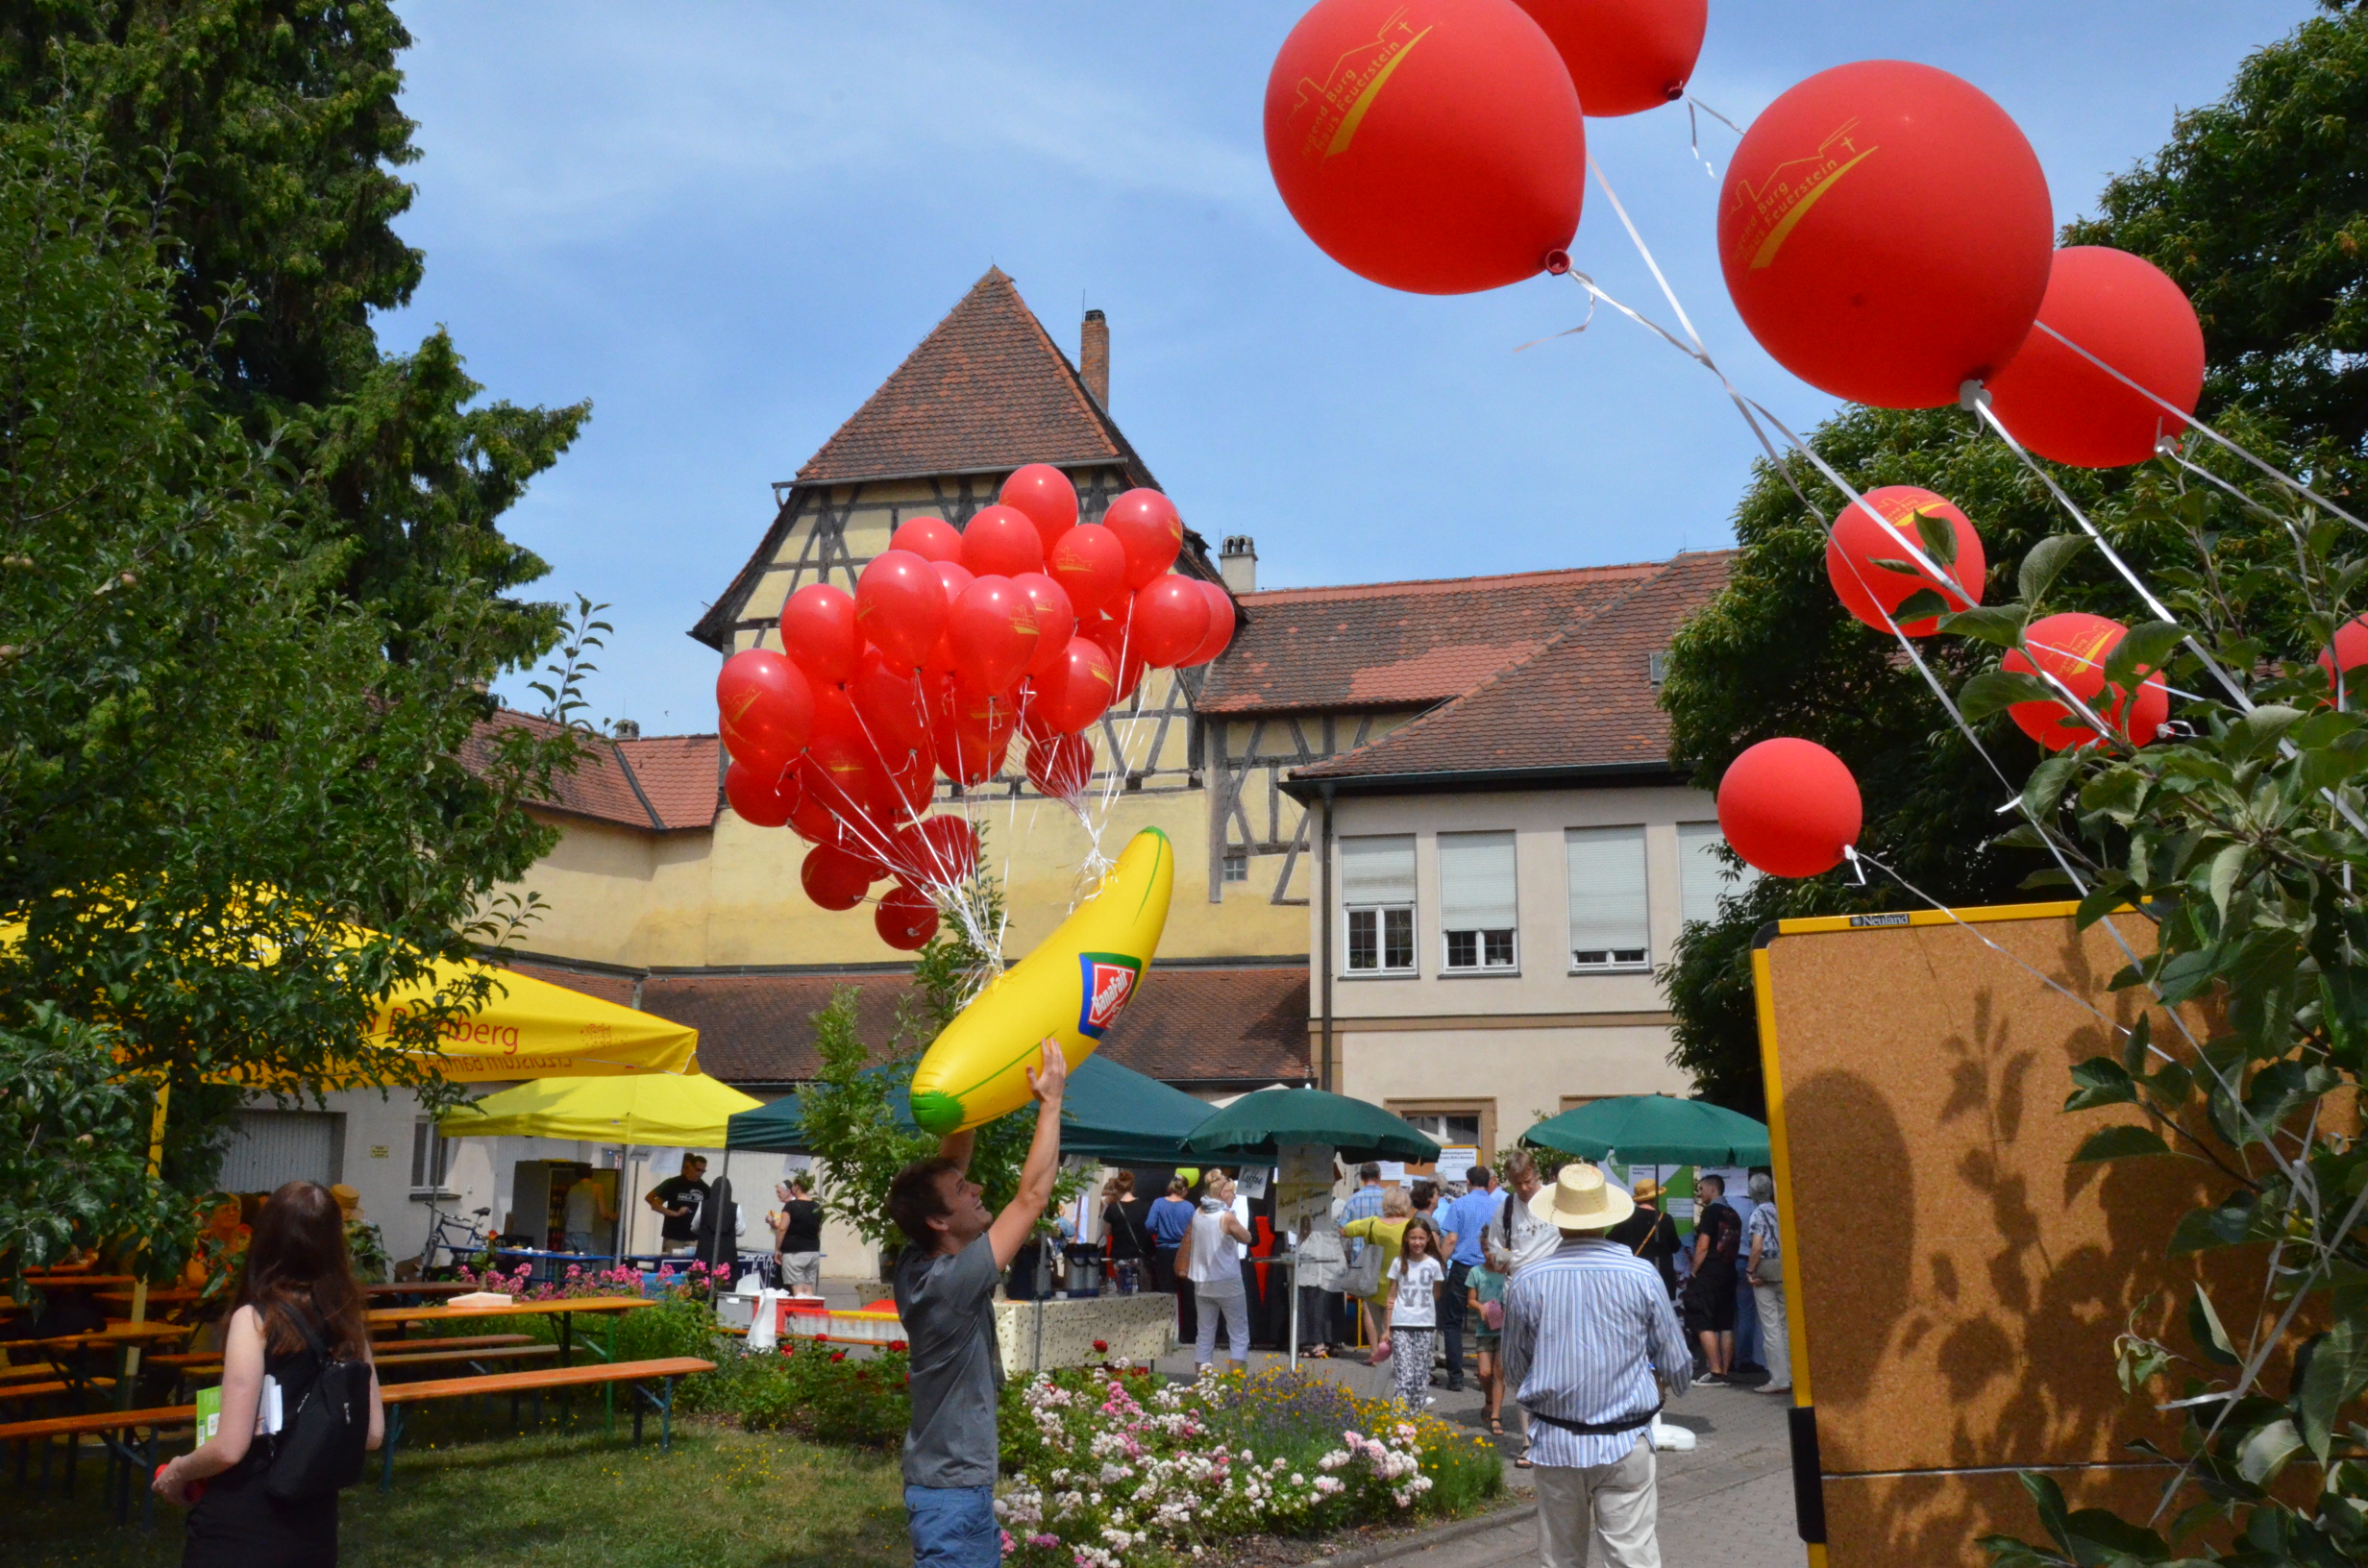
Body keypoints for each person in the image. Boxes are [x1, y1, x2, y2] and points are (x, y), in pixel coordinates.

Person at [887, 1038, 1067, 1568]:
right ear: (940, 1222)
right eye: (964, 1189)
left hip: (951, 1492)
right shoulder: (951, 1283)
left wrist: (968, 1078)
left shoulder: (915, 1260)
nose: (977, 1187)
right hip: (952, 1497)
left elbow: (951, 1158)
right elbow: (1030, 1198)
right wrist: (1051, 1103)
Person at [155, 1180, 386, 1565]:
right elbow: (373, 1433)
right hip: (312, 1524)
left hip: (244, 1522)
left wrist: (178, 1471)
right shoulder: (346, 1318)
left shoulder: (256, 1319)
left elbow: (229, 1447)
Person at [1501, 1163, 1691, 1568]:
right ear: (1607, 1219)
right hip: (1626, 1438)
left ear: (1557, 1221)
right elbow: (1678, 1363)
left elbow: (1515, 1369)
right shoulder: (1640, 1274)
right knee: (1632, 1555)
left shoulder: (1528, 1280)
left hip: (1556, 1441)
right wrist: (1664, 1382)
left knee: (1562, 1557)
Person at [1485, 1151, 1560, 1462]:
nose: (1524, 1189)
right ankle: (1529, 1441)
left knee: (1555, 1366)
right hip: (1516, 1290)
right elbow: (1493, 1249)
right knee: (1522, 1368)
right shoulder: (1505, 1207)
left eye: (1527, 1182)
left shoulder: (1557, 1199)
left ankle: (1555, 1435)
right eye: (1517, 1184)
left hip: (1555, 1290)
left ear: (1536, 1175)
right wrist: (1497, 1260)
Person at [1176, 1172, 1254, 1370]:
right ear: (1222, 1193)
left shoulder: (1198, 1213)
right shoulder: (1226, 1217)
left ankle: (1203, 1385)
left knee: (1205, 1333)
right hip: (1227, 1280)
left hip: (1202, 1280)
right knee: (1238, 1334)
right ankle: (1235, 1385)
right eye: (1232, 1194)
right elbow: (1247, 1238)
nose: (1234, 1198)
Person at [1438, 1165, 1499, 1394]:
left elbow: (1451, 1239)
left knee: (1453, 1322)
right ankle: (1492, 1374)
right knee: (1492, 1320)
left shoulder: (1460, 1204)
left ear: (1468, 1182)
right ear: (1489, 1182)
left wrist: (1441, 1263)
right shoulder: (1498, 1207)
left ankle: (1456, 1378)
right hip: (1488, 1269)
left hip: (1463, 1268)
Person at [1378, 1216, 1446, 1413]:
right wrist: (1387, 1328)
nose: (1417, 1242)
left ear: (1427, 1240)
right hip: (1401, 1324)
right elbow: (1391, 1296)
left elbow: (1436, 1293)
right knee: (1404, 1375)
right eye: (1413, 1238)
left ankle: (1416, 1415)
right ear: (1406, 1239)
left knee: (1420, 1375)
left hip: (1425, 1325)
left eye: (1421, 1238)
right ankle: (1398, 1417)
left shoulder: (1433, 1265)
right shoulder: (1399, 1263)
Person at [1682, 1173, 1743, 1384]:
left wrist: (1694, 1272)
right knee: (1726, 1323)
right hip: (1729, 1271)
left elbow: (1703, 1246)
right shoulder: (1733, 1213)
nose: (1699, 1194)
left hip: (1710, 1272)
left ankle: (1715, 1371)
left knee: (1702, 1320)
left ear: (1712, 1189)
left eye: (1701, 1189)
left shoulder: (1711, 1213)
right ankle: (1725, 1371)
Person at [1343, 1187, 1414, 1362]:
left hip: (1374, 1282)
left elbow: (1346, 1230)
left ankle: (1377, 1354)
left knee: (1376, 1321)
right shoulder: (1411, 1225)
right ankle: (1399, 1360)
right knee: (1399, 1326)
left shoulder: (1373, 1223)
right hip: (1403, 1283)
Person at [1743, 1172, 1790, 1395]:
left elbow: (1757, 1247)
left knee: (1771, 1328)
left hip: (1765, 1272)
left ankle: (1778, 1379)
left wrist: (1750, 1270)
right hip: (1785, 1269)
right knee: (1784, 1326)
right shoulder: (1780, 1210)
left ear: (1752, 1192)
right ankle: (1791, 1375)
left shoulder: (1757, 1214)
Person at [1605, 1179, 1682, 1297]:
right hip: (1660, 1278)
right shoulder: (1666, 1219)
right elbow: (1675, 1247)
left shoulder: (1627, 1217)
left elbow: (1610, 1240)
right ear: (1655, 1198)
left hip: (1633, 1278)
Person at [1145, 1176, 1196, 1341]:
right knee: (1188, 1294)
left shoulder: (1159, 1203)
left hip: (1164, 1251)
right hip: (1185, 1252)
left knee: (1167, 1292)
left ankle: (1167, 1333)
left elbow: (1149, 1225)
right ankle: (1189, 1334)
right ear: (1185, 1190)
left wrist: (1161, 1229)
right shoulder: (1189, 1207)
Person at [1468, 1259, 1508, 1436]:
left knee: (1499, 1372)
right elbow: (1471, 1300)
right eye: (1485, 1250)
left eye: (1492, 1251)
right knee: (1484, 1373)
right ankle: (1490, 1398)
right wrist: (1480, 1307)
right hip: (1484, 1329)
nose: (1490, 1255)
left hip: (1504, 1329)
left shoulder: (1507, 1272)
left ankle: (1496, 1416)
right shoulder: (1476, 1272)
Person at [769, 1175, 825, 1295]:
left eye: (793, 1185)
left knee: (797, 1289)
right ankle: (810, 1314)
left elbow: (782, 1228)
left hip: (794, 1252)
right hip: (813, 1251)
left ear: (797, 1187)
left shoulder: (791, 1206)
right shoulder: (818, 1207)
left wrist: (777, 1249)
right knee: (808, 1288)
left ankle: (800, 1314)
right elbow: (819, 1230)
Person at [647, 1154, 709, 1257]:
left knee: (695, 1269)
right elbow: (654, 1204)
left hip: (694, 1237)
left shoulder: (705, 1189)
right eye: (698, 1170)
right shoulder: (673, 1183)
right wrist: (673, 1213)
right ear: (690, 1167)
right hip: (674, 1235)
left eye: (703, 1171)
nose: (700, 1174)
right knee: (671, 1266)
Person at [1100, 1170, 1149, 1291]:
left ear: (1116, 1189)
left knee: (1123, 1288)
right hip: (1139, 1255)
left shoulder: (1113, 1208)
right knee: (1139, 1289)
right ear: (1132, 1187)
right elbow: (1149, 1228)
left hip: (1120, 1255)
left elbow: (1106, 1231)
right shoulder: (1143, 1207)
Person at [561, 1172, 614, 1257]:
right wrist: (617, 1217)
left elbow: (566, 1212)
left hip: (569, 1231)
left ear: (576, 1176)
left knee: (570, 1263)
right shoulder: (596, 1187)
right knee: (587, 1262)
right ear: (592, 1175)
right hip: (584, 1231)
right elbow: (604, 1213)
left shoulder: (572, 1189)